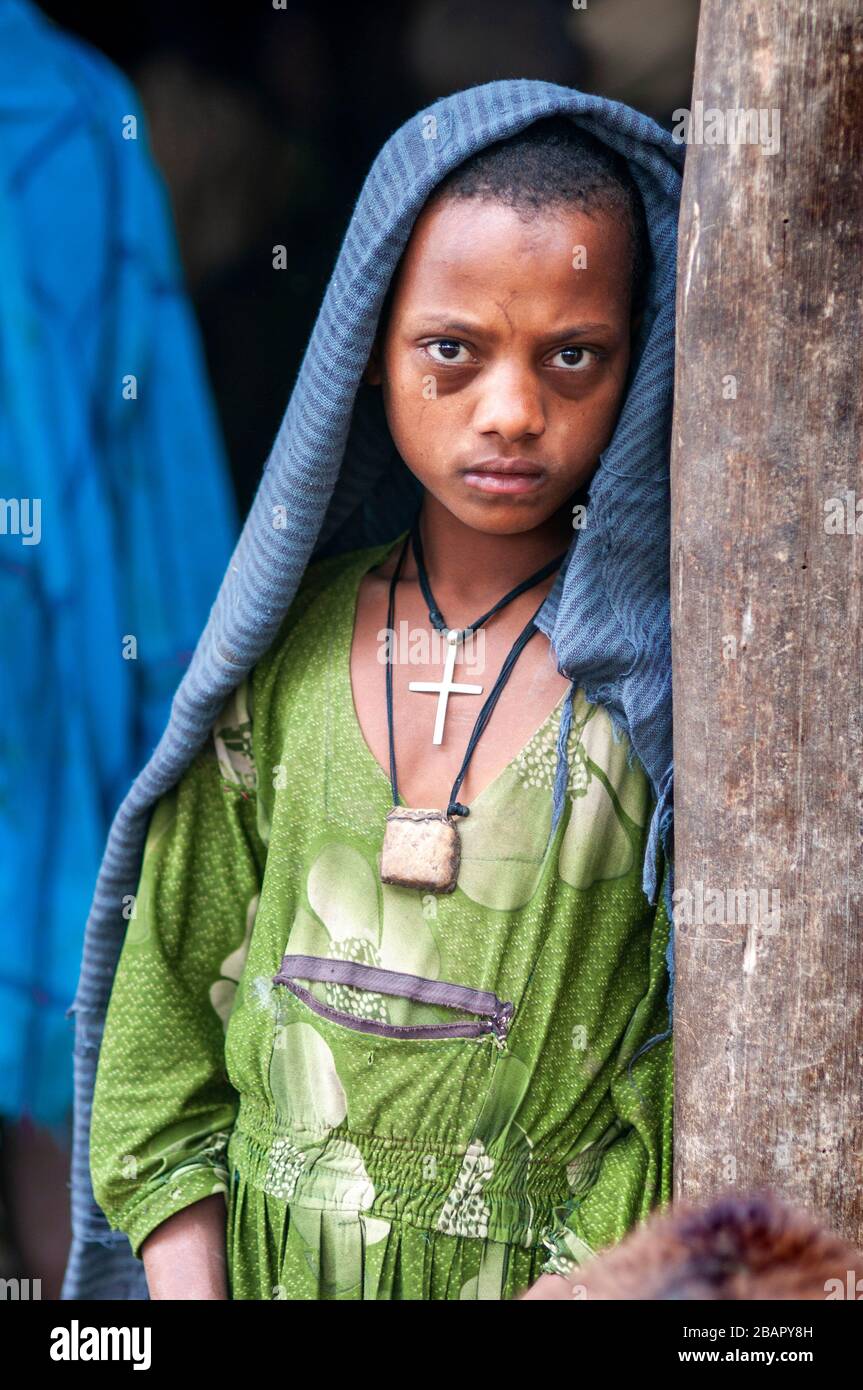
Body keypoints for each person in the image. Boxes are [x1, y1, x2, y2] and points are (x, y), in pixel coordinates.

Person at [66, 80, 683, 1301]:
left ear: (640, 367)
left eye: (573, 356)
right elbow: (159, 1036)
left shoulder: (661, 703)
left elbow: (685, 1078)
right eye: (451, 350)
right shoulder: (278, 663)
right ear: (365, 352)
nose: (511, 412)